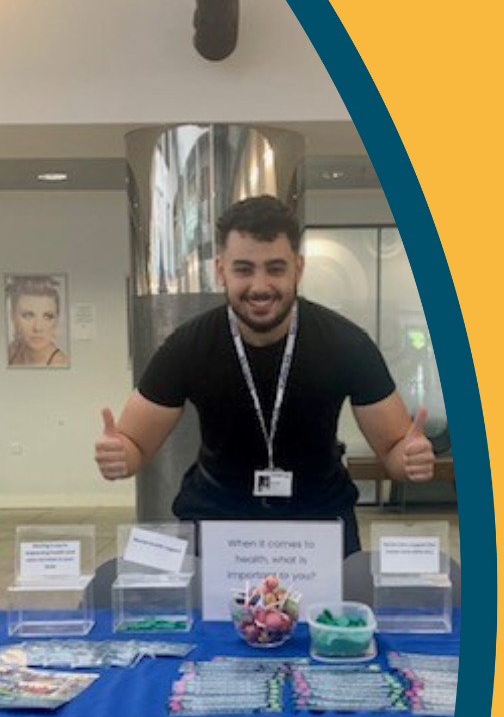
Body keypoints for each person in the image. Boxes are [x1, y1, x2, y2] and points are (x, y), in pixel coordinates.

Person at [94, 196, 435, 556]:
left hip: (319, 528)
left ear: (298, 269)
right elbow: (136, 444)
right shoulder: (187, 346)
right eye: (243, 269)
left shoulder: (347, 343)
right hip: (217, 527)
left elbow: (394, 449)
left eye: (275, 268)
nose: (259, 286)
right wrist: (121, 455)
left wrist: (409, 458)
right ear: (220, 270)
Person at [7, 275, 68, 367]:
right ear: (13, 318)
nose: (38, 328)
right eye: (28, 316)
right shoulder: (11, 351)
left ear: (56, 320)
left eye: (48, 316)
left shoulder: (61, 363)